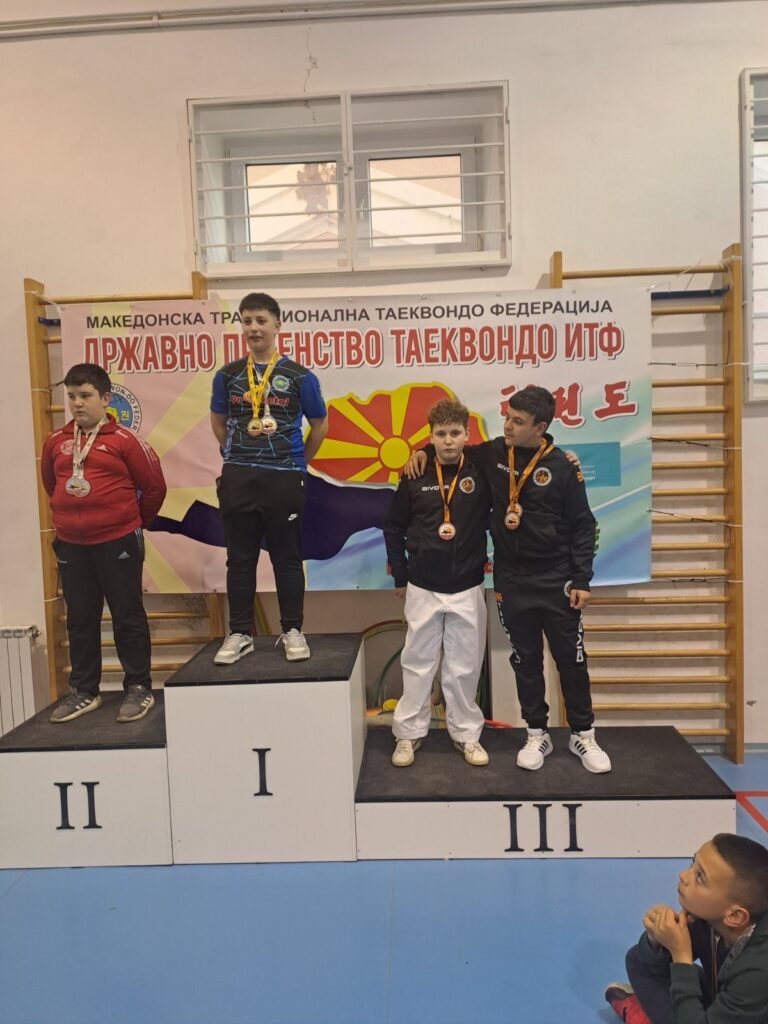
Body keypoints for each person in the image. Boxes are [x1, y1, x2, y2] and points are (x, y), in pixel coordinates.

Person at [406, 384, 610, 773]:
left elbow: (584, 525)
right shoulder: (495, 453)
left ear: (540, 427)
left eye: (518, 421)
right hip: (511, 579)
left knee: (571, 660)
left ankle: (583, 734)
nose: (508, 426)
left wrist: (582, 579)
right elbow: (449, 446)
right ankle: (536, 733)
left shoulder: (563, 467)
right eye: (507, 418)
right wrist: (420, 452)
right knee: (525, 659)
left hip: (557, 579)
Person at [42, 363, 167, 723]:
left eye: (85, 396)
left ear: (106, 398)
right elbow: (52, 485)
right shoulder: (55, 442)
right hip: (71, 544)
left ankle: (139, 687)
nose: (77, 403)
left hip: (118, 541)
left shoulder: (125, 441)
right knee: (80, 619)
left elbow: (154, 488)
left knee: (127, 615)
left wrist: (131, 523)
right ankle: (84, 691)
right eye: (71, 396)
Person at [210, 292, 328, 664]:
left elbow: (320, 425)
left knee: (287, 557)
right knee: (239, 559)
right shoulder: (227, 376)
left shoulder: (300, 376)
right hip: (239, 477)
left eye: (261, 320)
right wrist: (237, 456)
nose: (253, 328)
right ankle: (239, 633)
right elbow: (218, 422)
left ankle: (292, 630)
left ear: (277, 325)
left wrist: (299, 462)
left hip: (285, 478)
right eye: (247, 321)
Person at [383, 398, 490, 768]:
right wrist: (400, 574)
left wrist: (567, 458)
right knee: (418, 663)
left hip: (468, 585)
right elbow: (394, 527)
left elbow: (517, 454)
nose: (448, 441)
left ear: (467, 434)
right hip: (423, 585)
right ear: (430, 436)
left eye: (455, 433)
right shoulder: (415, 474)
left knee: (464, 666)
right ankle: (407, 734)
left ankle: (467, 735)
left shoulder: (481, 469)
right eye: (440, 434)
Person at [605, 833, 768, 1024]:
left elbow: (682, 964)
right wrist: (655, 939)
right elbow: (642, 963)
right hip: (728, 998)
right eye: (693, 863)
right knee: (640, 962)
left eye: (699, 877)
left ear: (735, 916)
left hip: (750, 1001)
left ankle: (643, 1016)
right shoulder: (709, 919)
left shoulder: (757, 972)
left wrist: (681, 954)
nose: (683, 876)